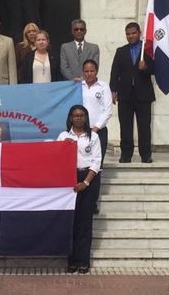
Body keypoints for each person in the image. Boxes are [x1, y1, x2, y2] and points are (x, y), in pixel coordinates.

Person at [57, 105, 102, 274]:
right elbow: (54, 158)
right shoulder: (63, 136)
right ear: (70, 118)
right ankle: (72, 261)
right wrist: (62, 146)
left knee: (84, 223)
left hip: (88, 179)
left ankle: (83, 261)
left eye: (81, 115)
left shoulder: (94, 137)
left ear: (86, 117)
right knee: (71, 222)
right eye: (75, 116)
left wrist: (86, 182)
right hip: (68, 181)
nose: (78, 118)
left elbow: (96, 161)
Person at [109, 22, 155, 163]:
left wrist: (145, 67)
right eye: (128, 34)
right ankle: (126, 154)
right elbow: (114, 72)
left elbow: (155, 69)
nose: (131, 36)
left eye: (133, 33)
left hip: (143, 94)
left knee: (144, 127)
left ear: (139, 33)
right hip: (125, 95)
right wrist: (113, 90)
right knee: (125, 126)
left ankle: (145, 155)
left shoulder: (147, 50)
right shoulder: (121, 51)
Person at [81, 59, 112, 215]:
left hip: (98, 132)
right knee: (82, 166)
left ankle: (93, 202)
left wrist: (96, 127)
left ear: (97, 71)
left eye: (92, 71)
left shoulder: (104, 86)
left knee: (96, 167)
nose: (89, 74)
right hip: (81, 132)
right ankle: (82, 200)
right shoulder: (78, 87)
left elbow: (108, 110)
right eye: (86, 71)